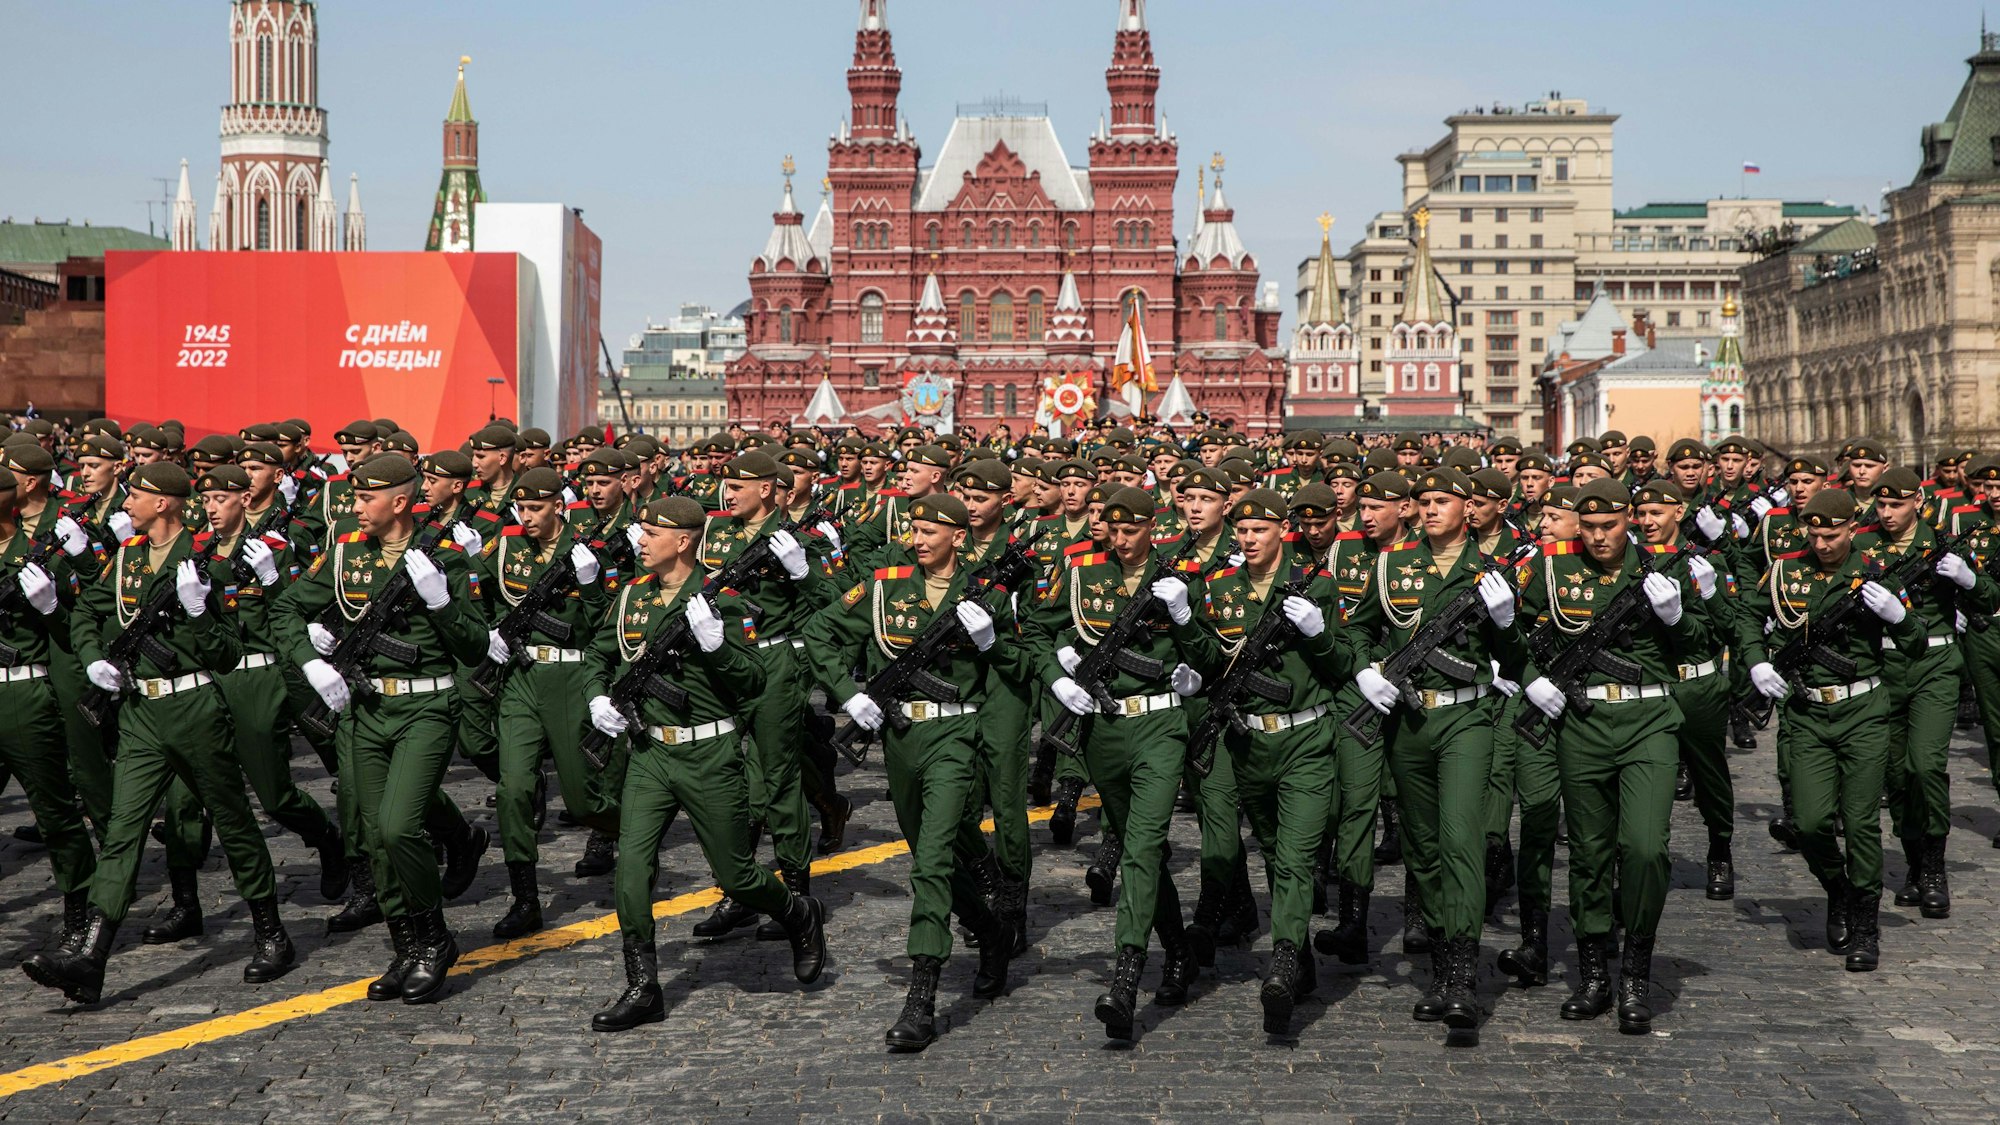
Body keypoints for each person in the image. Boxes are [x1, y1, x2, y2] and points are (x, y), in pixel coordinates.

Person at [25, 463, 295, 1005]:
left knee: (233, 819)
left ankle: (271, 931)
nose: (126, 504)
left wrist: (196, 611)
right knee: (123, 830)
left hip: (195, 706)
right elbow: (87, 615)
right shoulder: (123, 559)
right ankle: (91, 958)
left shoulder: (208, 563)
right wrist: (92, 655)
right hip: (140, 715)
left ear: (166, 503)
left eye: (138, 496)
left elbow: (225, 652)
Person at [581, 496, 827, 1031]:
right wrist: (598, 698)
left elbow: (754, 680)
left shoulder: (722, 602)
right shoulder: (631, 597)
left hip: (708, 753)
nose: (639, 541)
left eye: (650, 533)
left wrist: (716, 646)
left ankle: (797, 912)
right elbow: (599, 656)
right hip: (648, 753)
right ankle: (643, 986)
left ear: (684, 541)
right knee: (631, 872)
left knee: (737, 877)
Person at [802, 494, 1017, 1052]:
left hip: (955, 735)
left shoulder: (986, 590)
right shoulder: (884, 582)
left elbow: (1021, 660)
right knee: (931, 855)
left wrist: (992, 639)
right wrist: (849, 694)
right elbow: (822, 633)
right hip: (901, 737)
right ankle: (993, 932)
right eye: (914, 529)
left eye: (929, 531)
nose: (918, 539)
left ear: (957, 536)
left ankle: (922, 996)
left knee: (932, 864)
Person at [272, 454, 487, 1004]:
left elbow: (474, 645)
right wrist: (312, 660)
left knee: (397, 827)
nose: (354, 508)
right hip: (366, 710)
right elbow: (286, 611)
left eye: (366, 499)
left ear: (399, 501)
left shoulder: (444, 560)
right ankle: (406, 945)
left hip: (427, 709)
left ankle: (435, 939)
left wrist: (440, 600)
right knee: (372, 837)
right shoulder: (345, 555)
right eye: (354, 497)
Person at [1514, 478, 1708, 1034]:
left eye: (1610, 526)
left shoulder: (1665, 570)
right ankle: (1595, 972)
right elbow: (1514, 638)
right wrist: (1532, 681)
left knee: (1645, 848)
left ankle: (1637, 973)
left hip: (1649, 720)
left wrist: (1676, 617)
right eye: (1590, 527)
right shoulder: (1551, 570)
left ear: (1630, 520)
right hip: (1583, 723)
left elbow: (1699, 646)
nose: (1599, 537)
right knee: (1591, 854)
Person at [1349, 467, 1527, 1033]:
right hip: (1407, 719)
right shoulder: (1391, 564)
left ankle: (1461, 975)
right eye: (1422, 501)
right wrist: (1363, 672)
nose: (1429, 509)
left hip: (1466, 716)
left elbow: (1519, 657)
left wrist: (1504, 624)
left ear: (1467, 508)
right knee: (1423, 848)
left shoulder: (1492, 572)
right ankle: (1442, 965)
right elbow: (1358, 627)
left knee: (1459, 839)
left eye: (1442, 500)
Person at [1027, 486, 1207, 1041]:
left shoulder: (1181, 575)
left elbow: (1213, 655)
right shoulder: (1081, 567)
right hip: (1102, 728)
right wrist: (1056, 673)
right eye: (1114, 528)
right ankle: (1179, 951)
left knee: (1146, 844)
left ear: (1155, 525)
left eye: (1133, 530)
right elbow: (1037, 628)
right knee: (1138, 848)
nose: (1122, 539)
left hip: (1159, 726)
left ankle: (1127, 975)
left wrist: (1184, 621)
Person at [1179, 488, 1353, 1036]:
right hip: (1248, 744)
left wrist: (1319, 635)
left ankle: (1280, 962)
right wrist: (1185, 621)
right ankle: (1299, 958)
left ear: (1282, 530)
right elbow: (1209, 659)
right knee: (1277, 855)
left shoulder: (1314, 587)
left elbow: (1344, 663)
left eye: (1260, 530)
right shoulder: (1220, 589)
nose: (1249, 539)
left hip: (1305, 741)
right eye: (1243, 531)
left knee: (1298, 858)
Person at [1741, 489, 1925, 972]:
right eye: (1814, 534)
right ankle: (1836, 887)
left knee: (1861, 822)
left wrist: (1899, 615)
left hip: (1862, 708)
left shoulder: (1875, 572)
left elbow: (1917, 641)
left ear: (1851, 528)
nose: (1822, 544)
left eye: (1832, 534)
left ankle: (1865, 923)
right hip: (1805, 713)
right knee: (1808, 822)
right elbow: (1745, 612)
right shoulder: (1786, 569)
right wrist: (1756, 660)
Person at [476, 467, 615, 937]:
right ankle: (525, 898)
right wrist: (490, 630)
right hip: (521, 677)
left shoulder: (586, 549)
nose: (526, 517)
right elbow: (479, 591)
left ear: (559, 505)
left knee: (581, 799)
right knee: (514, 787)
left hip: (571, 676)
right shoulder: (508, 545)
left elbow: (607, 625)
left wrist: (593, 583)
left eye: (535, 508)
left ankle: (627, 830)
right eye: (520, 508)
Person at [1858, 467, 1992, 920]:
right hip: (1884, 667)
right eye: (1881, 504)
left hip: (1935, 664)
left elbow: (1989, 599)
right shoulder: (1862, 545)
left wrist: (1969, 580)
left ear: (1919, 500)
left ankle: (1935, 867)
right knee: (1895, 775)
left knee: (1926, 765)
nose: (1888, 513)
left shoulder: (1942, 543)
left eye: (1896, 504)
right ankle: (1913, 860)